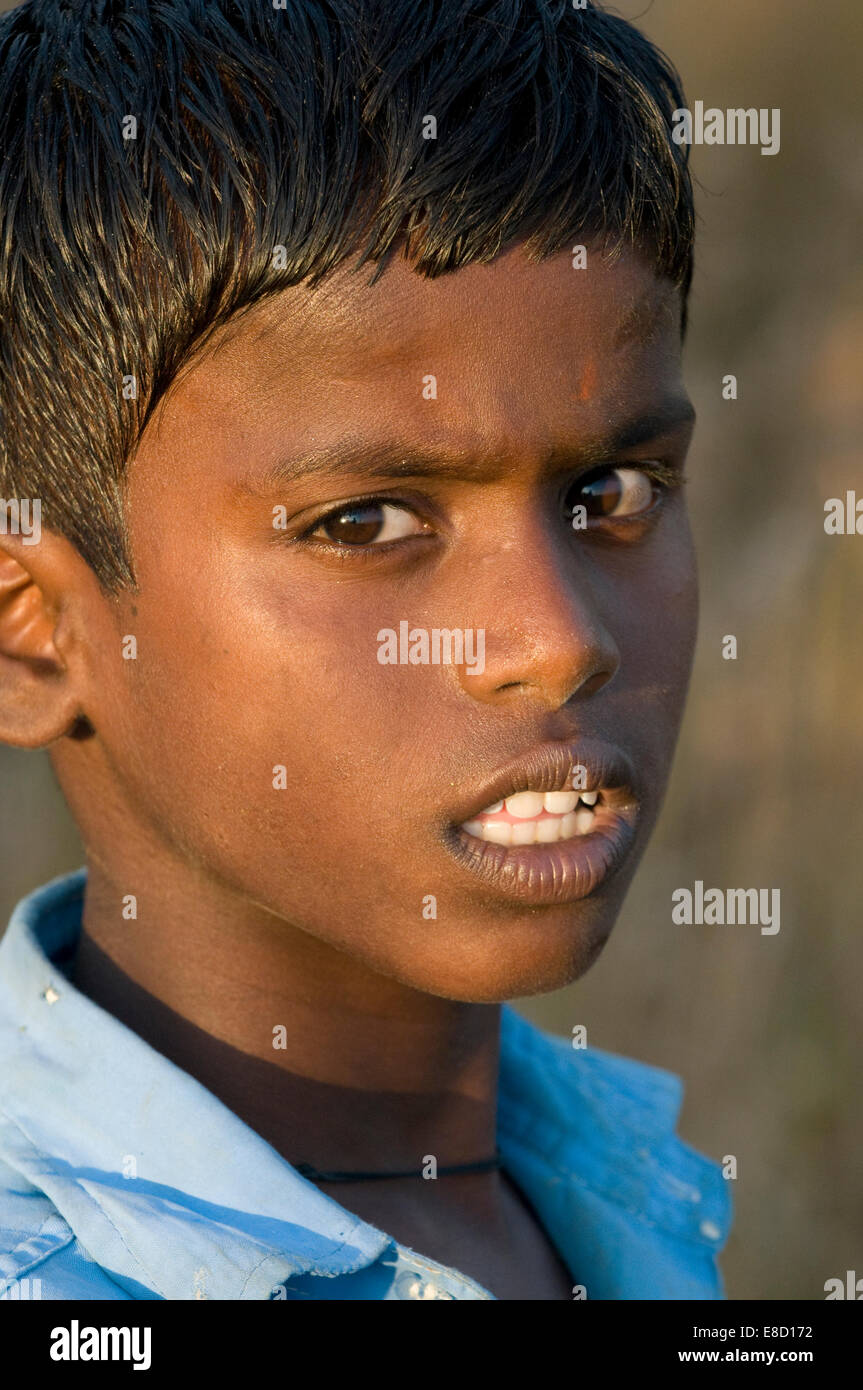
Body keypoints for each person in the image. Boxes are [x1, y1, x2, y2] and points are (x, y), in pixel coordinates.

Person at [0, 0, 731, 1300]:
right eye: (368, 521)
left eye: (610, 493)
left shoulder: (611, 1191)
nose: (557, 643)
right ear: (34, 634)